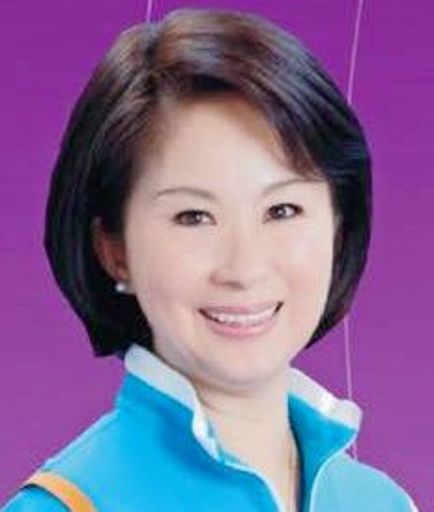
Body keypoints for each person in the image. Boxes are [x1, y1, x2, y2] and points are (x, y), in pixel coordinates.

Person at [2, 7, 418, 512]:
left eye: (282, 210)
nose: (244, 269)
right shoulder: (70, 505)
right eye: (194, 217)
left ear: (338, 224)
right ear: (115, 249)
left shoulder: (380, 502)